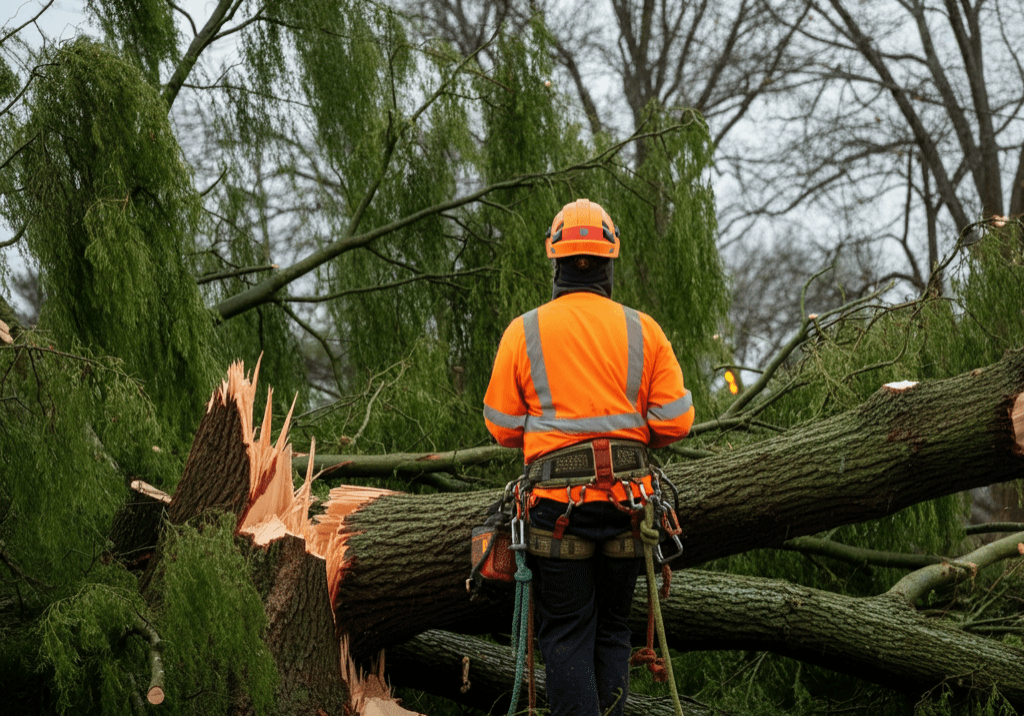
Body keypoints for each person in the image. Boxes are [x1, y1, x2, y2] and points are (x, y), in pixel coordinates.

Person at [483, 198, 694, 716]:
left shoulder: (524, 331)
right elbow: (675, 421)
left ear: (555, 264)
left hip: (557, 510)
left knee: (567, 634)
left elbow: (502, 427)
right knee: (613, 630)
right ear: (609, 263)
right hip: (630, 507)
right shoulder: (644, 330)